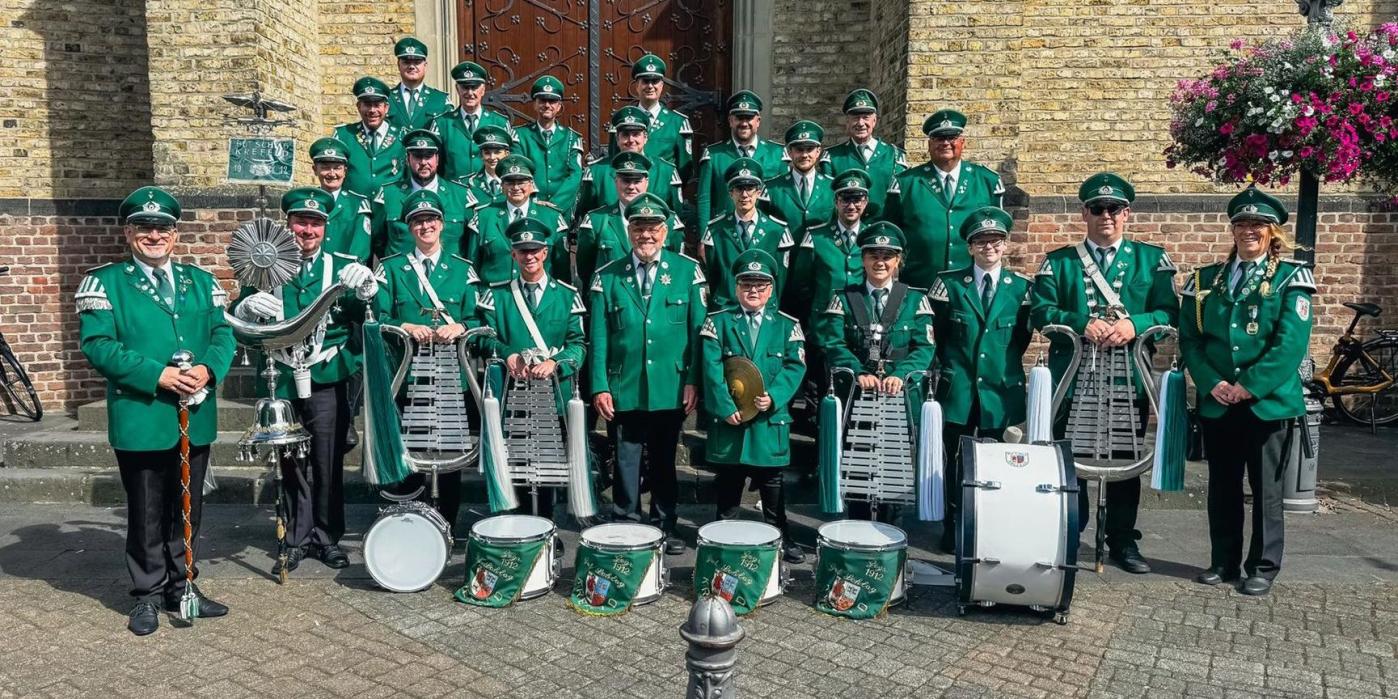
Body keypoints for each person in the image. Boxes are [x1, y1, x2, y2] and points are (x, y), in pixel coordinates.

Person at [77, 186, 235, 636]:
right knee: (146, 509)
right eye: (144, 227)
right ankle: (146, 594)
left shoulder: (202, 281)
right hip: (143, 414)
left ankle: (182, 587)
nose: (154, 234)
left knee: (189, 508)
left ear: (175, 233)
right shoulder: (104, 282)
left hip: (195, 411)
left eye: (162, 227)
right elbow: (99, 345)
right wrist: (158, 375)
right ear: (128, 232)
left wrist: (208, 368)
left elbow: (224, 332)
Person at [1030, 172, 1179, 574]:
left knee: (1123, 460)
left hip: (1126, 377)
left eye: (1114, 209)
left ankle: (1122, 541)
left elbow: (1170, 312)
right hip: (1074, 378)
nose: (1106, 216)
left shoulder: (1152, 259)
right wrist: (1080, 322)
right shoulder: (1059, 261)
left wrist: (1136, 324)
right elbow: (1040, 312)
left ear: (1126, 213)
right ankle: (1069, 534)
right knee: (1069, 460)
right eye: (1097, 209)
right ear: (1085, 213)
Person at [231, 187, 379, 576]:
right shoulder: (263, 265)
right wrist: (244, 307)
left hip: (327, 374)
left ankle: (327, 537)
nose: (307, 229)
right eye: (300, 221)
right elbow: (241, 324)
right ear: (288, 224)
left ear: (325, 227)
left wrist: (367, 289)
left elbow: (365, 317)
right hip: (279, 376)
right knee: (289, 460)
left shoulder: (342, 265)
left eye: (315, 223)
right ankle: (295, 537)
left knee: (327, 460)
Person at [1180, 187, 1314, 597]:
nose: (1248, 231)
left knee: (1267, 490)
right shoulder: (1204, 280)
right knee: (1222, 486)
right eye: (1240, 223)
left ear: (1272, 231)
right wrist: (1213, 383)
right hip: (1219, 401)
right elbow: (1191, 340)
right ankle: (1223, 560)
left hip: (1266, 403)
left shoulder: (1292, 277)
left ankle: (1263, 566)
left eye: (1256, 224)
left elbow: (1290, 345)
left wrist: (1248, 386)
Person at [589, 195, 706, 554]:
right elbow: (599, 336)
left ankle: (664, 523)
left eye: (653, 228)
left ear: (665, 231)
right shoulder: (607, 276)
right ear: (629, 231)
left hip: (670, 385)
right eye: (639, 228)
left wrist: (693, 380)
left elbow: (698, 332)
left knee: (664, 457)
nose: (646, 235)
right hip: (625, 383)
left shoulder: (688, 272)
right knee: (625, 455)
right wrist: (600, 386)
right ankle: (626, 521)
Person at [372, 189, 481, 530]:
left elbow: (481, 319)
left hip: (451, 378)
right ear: (408, 227)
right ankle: (411, 525)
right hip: (408, 378)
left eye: (431, 219)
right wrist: (405, 325)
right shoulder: (391, 269)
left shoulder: (463, 270)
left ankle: (446, 524)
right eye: (418, 221)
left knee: (449, 455)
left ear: (442, 224)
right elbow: (377, 316)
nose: (425, 226)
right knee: (411, 453)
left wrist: (460, 326)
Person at [812, 222, 935, 522]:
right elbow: (832, 342)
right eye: (873, 255)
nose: (880, 262)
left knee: (893, 471)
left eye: (887, 256)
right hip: (858, 397)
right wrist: (856, 372)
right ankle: (857, 530)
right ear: (863, 259)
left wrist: (901, 373)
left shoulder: (915, 300)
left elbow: (925, 348)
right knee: (857, 471)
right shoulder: (844, 299)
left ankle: (889, 534)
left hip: (897, 398)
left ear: (898, 261)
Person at [928, 206, 1033, 552]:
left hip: (1000, 393)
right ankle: (953, 525)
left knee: (1000, 464)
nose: (989, 247)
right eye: (981, 241)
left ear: (1005, 246)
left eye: (996, 241)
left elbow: (1020, 339)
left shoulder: (1022, 289)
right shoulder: (948, 285)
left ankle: (991, 526)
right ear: (970, 247)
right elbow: (938, 335)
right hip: (958, 390)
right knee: (955, 461)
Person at [476, 217, 588, 518]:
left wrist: (556, 363)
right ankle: (519, 524)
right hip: (511, 394)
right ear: (513, 254)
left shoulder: (567, 295)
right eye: (523, 251)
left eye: (535, 250)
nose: (530, 256)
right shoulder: (497, 295)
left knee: (551, 467)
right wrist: (507, 354)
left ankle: (547, 526)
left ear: (546, 252)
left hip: (553, 395)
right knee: (515, 464)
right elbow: (484, 340)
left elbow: (578, 344)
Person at [700, 248, 807, 563]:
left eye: (760, 286)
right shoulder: (717, 322)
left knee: (773, 487)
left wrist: (774, 396)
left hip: (768, 421)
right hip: (731, 420)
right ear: (736, 288)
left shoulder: (787, 325)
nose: (753, 291)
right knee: (728, 485)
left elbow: (795, 366)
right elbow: (711, 368)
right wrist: (723, 406)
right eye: (747, 285)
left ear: (770, 290)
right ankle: (721, 540)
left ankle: (781, 537)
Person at [884, 109, 1004, 288]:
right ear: (929, 143)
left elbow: (998, 234)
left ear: (962, 142)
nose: (946, 143)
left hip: (971, 285)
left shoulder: (987, 181)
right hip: (920, 283)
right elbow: (891, 231)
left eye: (952, 137)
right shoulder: (906, 183)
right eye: (939, 138)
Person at [574, 153, 685, 289]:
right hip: (614, 299)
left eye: (637, 181)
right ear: (616, 182)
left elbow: (676, 265)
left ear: (647, 182)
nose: (631, 187)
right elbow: (585, 269)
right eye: (625, 181)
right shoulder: (596, 221)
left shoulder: (669, 221)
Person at [700, 158, 794, 310]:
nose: (744, 195)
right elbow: (714, 276)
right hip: (727, 309)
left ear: (758, 192)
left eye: (750, 188)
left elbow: (780, 279)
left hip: (763, 311)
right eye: (739, 188)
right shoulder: (715, 230)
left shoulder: (777, 231)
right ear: (731, 193)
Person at [371, 129, 478, 259]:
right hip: (402, 276)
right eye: (417, 156)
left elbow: (471, 244)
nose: (423, 162)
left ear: (437, 159)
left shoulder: (461, 195)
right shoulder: (388, 195)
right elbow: (377, 240)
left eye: (428, 156)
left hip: (449, 275)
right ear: (407, 159)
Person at [463, 154, 570, 284]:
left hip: (537, 296)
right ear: (501, 186)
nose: (516, 187)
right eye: (510, 182)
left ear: (531, 185)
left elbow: (562, 272)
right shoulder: (483, 217)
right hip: (494, 298)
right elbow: (472, 266)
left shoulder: (552, 218)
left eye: (521, 182)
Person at [695, 90, 786, 240]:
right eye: (739, 118)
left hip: (766, 234)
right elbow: (704, 199)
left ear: (758, 121)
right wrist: (704, 237)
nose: (744, 123)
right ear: (730, 120)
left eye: (749, 118)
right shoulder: (714, 155)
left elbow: (782, 200)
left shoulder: (777, 154)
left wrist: (780, 234)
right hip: (723, 235)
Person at [785, 168, 871, 326]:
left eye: (857, 200)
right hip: (824, 323)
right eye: (845, 199)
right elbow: (801, 285)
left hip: (862, 322)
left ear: (865, 202)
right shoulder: (816, 237)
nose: (851, 206)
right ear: (836, 202)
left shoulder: (871, 238)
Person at [578, 107, 684, 218]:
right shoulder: (596, 171)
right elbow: (587, 214)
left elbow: (674, 216)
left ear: (645, 138)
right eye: (625, 135)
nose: (631, 140)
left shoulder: (666, 170)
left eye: (636, 134)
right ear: (617, 139)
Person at [820, 89, 906, 219]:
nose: (861, 123)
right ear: (847, 122)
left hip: (882, 233)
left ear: (874, 121)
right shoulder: (832, 156)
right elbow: (827, 200)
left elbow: (901, 200)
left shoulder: (894, 155)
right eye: (855, 117)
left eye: (866, 117)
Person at [514, 75, 585, 220]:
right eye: (542, 100)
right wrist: (533, 202)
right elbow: (518, 170)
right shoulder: (520, 135)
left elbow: (575, 175)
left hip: (560, 211)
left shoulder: (572, 138)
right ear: (535, 104)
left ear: (559, 106)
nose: (547, 105)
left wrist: (555, 205)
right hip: (529, 209)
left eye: (552, 101)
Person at [433, 60, 515, 182]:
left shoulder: (500, 122)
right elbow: (433, 162)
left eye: (474, 87)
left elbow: (511, 161)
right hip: (455, 195)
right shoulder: (442, 123)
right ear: (457, 89)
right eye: (465, 87)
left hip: (491, 195)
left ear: (482, 90)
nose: (470, 93)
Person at [761, 120, 835, 242]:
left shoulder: (832, 187)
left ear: (818, 152)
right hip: (784, 256)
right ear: (790, 152)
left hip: (819, 257)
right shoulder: (772, 188)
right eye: (799, 149)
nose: (804, 155)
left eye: (809, 149)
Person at [332, 76, 407, 198]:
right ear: (358, 107)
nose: (372, 110)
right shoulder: (343, 135)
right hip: (354, 212)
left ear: (386, 107)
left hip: (390, 210)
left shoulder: (402, 135)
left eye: (377, 104)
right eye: (367, 104)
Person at [309, 137, 373, 262]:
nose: (332, 174)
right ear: (315, 170)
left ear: (345, 171)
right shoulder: (308, 202)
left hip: (345, 273)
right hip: (313, 272)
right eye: (325, 167)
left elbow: (360, 248)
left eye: (337, 168)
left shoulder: (358, 204)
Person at [630, 53, 693, 179]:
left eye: (655, 81)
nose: (650, 86)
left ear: (662, 86)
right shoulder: (623, 121)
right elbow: (614, 162)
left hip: (662, 194)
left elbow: (684, 170)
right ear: (637, 85)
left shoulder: (677, 122)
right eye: (645, 81)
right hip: (630, 191)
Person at [386, 37, 451, 131]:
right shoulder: (386, 99)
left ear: (425, 65)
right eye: (406, 62)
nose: (412, 66)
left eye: (417, 62)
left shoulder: (440, 99)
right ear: (398, 65)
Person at [460, 125, 514, 206]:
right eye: (487, 153)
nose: (492, 157)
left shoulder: (518, 183)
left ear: (507, 154)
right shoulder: (466, 183)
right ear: (481, 155)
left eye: (497, 152)